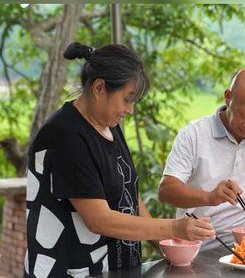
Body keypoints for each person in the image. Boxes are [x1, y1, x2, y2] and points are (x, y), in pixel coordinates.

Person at [25, 42, 215, 277]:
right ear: (99, 88)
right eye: (127, 99)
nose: (131, 110)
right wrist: (173, 227)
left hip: (115, 268)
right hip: (71, 270)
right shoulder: (66, 135)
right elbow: (98, 220)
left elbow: (129, 195)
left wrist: (166, 242)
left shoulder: (108, 125)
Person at [158, 67, 245, 250]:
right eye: (243, 115)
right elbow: (166, 190)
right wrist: (209, 197)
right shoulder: (194, 135)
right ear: (228, 97)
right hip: (196, 251)